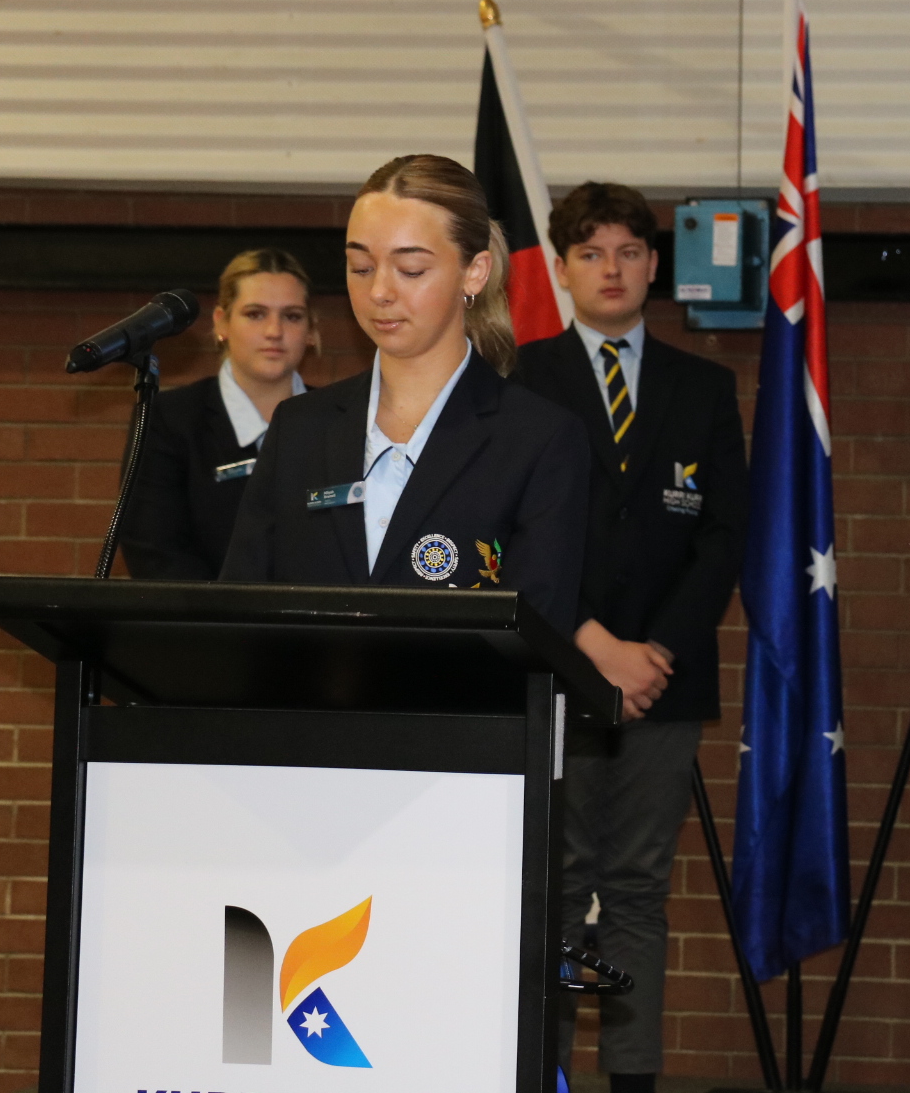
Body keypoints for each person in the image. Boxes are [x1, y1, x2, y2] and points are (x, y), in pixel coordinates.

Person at [514, 182, 748, 1093]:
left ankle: (632, 1077)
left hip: (664, 679)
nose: (611, 270)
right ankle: (552, 1071)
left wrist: (652, 657)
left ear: (654, 265)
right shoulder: (521, 381)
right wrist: (592, 648)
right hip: (559, 671)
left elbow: (724, 533)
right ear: (564, 269)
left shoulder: (705, 387)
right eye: (591, 254)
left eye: (628, 252)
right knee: (565, 890)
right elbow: (516, 535)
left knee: (639, 890)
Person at [221, 154, 588, 643]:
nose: (379, 292)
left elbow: (537, 637)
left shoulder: (539, 439)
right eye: (361, 266)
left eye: (411, 269)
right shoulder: (299, 427)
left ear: (474, 273)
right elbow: (239, 609)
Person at [118, 247, 315, 579]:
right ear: (221, 322)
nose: (274, 331)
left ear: (311, 329)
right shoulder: (168, 420)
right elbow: (154, 554)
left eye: (292, 316)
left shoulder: (345, 419)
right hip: (205, 627)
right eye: (255, 314)